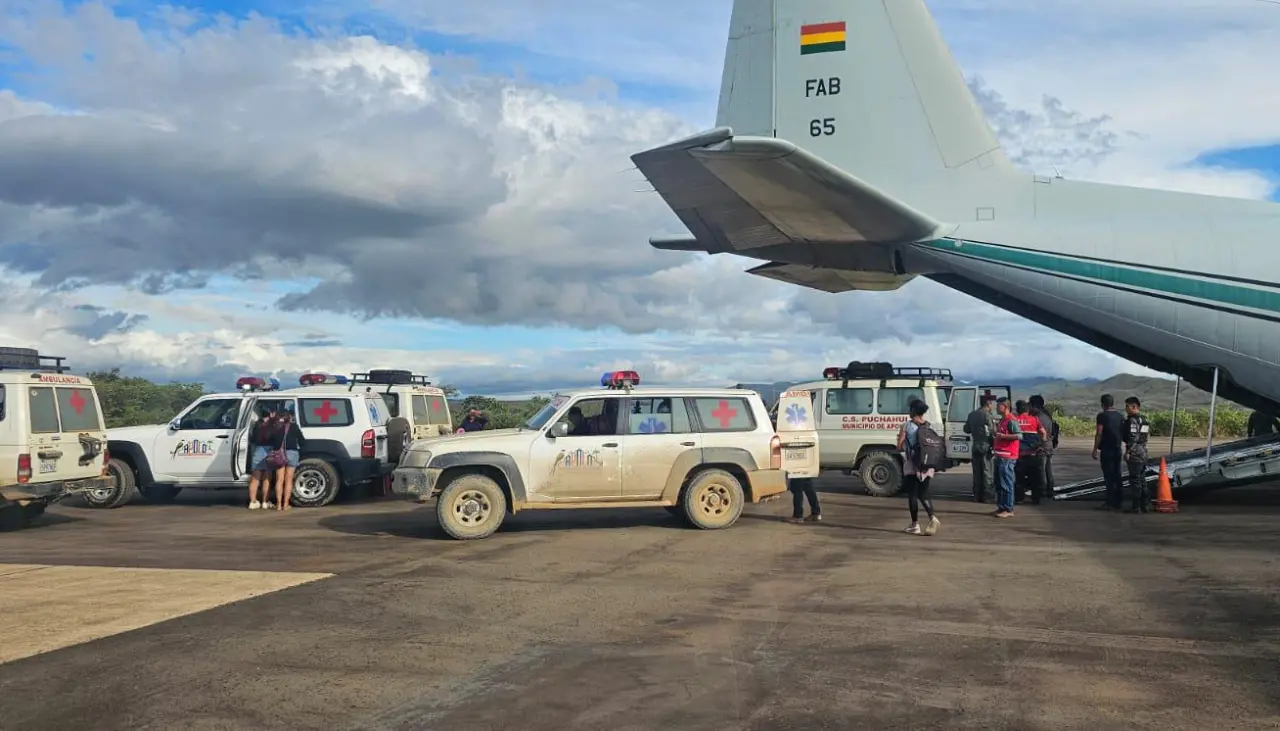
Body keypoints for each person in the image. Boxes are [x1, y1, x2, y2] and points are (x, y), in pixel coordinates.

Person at [897, 399, 940, 535]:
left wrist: (900, 438)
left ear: (913, 411)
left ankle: (915, 525)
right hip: (927, 466)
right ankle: (932, 517)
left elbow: (899, 446)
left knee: (912, 495)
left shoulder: (907, 426)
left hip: (913, 465)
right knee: (923, 494)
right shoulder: (927, 425)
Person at [1093, 393, 1125, 511]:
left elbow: (1099, 433)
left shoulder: (1102, 416)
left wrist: (1095, 449)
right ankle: (1119, 501)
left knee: (1109, 476)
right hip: (1117, 448)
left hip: (1107, 449)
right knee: (1117, 475)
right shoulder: (1120, 416)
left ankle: (1109, 502)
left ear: (1102, 404)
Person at [271, 403, 304, 511]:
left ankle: (279, 504)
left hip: (279, 454)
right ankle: (286, 504)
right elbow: (302, 440)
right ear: (289, 417)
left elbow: (273, 441)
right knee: (289, 480)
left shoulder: (275, 427)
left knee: (279, 480)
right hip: (292, 453)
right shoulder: (294, 426)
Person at [992, 397, 1022, 518]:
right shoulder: (1002, 420)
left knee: (1006, 483)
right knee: (999, 483)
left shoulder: (1011, 420)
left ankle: (1008, 508)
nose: (996, 408)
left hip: (1007, 456)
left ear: (1005, 407)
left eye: (998, 406)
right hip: (999, 455)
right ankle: (1001, 507)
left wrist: (1003, 436)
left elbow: (1019, 435)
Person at [247, 403, 280, 510]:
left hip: (258, 449)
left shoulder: (258, 423)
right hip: (270, 451)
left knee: (255, 478)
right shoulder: (275, 424)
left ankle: (252, 502)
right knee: (267, 478)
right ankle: (265, 502)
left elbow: (253, 438)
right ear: (272, 413)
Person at [963, 395, 996, 503]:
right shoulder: (988, 416)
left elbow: (966, 429)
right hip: (986, 446)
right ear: (988, 404)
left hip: (975, 446)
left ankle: (976, 495)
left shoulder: (972, 414)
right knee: (987, 471)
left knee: (977, 472)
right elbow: (992, 432)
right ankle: (987, 496)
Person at [1122, 397, 1151, 513]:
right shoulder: (1144, 419)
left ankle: (1136, 506)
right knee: (1142, 480)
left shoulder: (1132, 420)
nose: (1126, 409)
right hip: (1144, 451)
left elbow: (1133, 438)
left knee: (1135, 480)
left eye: (1127, 406)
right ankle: (1145, 505)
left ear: (1134, 407)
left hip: (1135, 453)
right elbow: (1145, 437)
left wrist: (1128, 452)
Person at [1029, 395, 1060, 492]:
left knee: (1041, 470)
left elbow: (1039, 434)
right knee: (1048, 469)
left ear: (1035, 406)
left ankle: (1041, 490)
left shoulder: (1038, 417)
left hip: (1042, 446)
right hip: (1049, 445)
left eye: (1030, 405)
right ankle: (1050, 489)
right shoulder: (1047, 415)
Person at [1014, 400, 1042, 504]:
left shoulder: (1015, 420)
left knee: (1019, 478)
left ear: (1017, 410)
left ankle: (1019, 498)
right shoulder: (1035, 419)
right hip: (1033, 453)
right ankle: (1035, 498)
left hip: (1019, 454)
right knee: (1034, 477)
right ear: (1027, 410)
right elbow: (1043, 433)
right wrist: (1040, 445)